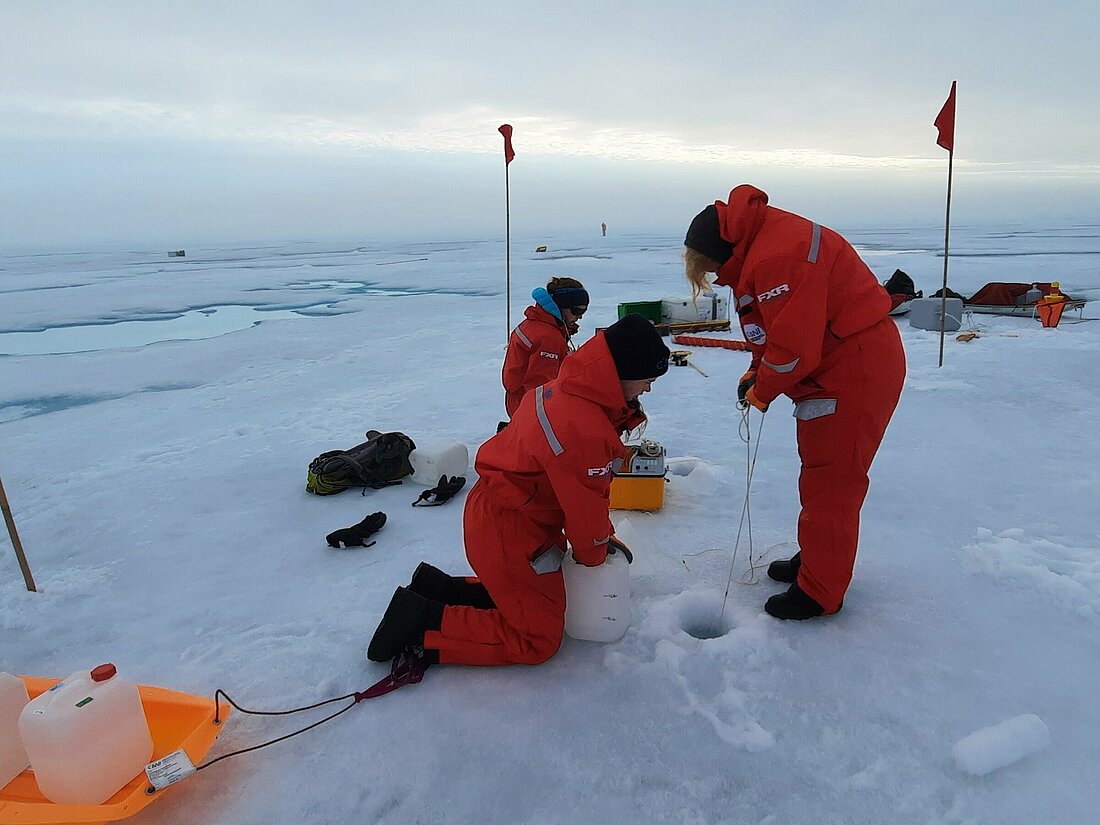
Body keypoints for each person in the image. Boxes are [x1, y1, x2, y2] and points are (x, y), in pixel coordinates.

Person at [367, 313, 669, 666]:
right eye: (648, 379)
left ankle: (439, 591)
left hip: (508, 513)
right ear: (622, 372)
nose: (648, 389)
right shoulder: (583, 427)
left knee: (537, 599)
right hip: (510, 531)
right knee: (538, 638)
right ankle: (420, 622)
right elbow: (586, 510)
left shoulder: (569, 387)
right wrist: (596, 558)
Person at [683, 184, 906, 620]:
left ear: (720, 252)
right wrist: (755, 370)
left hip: (852, 369)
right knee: (821, 476)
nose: (716, 277)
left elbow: (796, 349)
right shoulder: (761, 243)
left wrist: (763, 391)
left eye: (712, 269)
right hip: (836, 362)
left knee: (832, 483)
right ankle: (821, 560)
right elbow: (776, 329)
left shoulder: (777, 257)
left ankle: (820, 592)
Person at [501, 277, 589, 420]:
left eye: (583, 312)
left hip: (520, 401)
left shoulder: (537, 324)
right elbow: (541, 386)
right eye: (576, 311)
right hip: (531, 407)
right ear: (561, 306)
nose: (579, 317)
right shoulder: (547, 337)